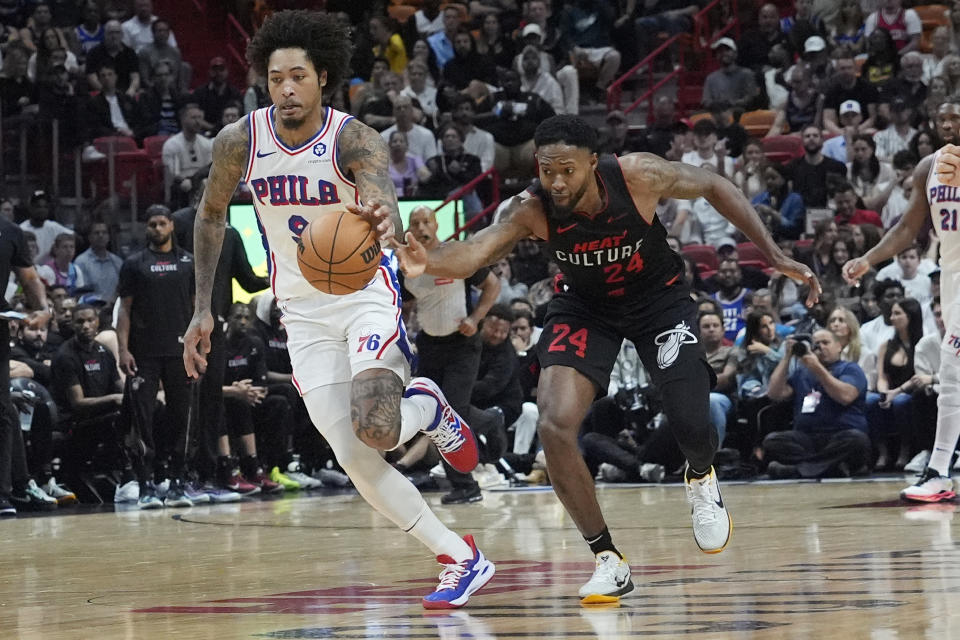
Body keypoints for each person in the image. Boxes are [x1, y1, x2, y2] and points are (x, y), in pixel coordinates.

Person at [395, 114, 820, 603]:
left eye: (567, 170)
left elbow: (713, 184)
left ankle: (700, 475)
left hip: (657, 299)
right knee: (554, 424)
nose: (556, 181)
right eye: (547, 169)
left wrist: (771, 253)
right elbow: (474, 252)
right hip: (585, 307)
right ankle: (607, 559)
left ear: (594, 164)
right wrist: (428, 259)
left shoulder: (638, 175)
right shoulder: (530, 207)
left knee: (691, 419)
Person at [181, 10, 494, 609]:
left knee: (377, 427)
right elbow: (212, 214)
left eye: (298, 76)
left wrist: (381, 216)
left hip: (364, 298)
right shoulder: (240, 141)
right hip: (301, 314)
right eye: (276, 80)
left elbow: (382, 199)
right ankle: (460, 556)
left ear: (323, 77)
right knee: (356, 457)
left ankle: (427, 405)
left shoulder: (353, 138)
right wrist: (202, 309)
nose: (287, 89)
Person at [843, 100, 960, 501]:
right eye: (942, 117)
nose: (947, 124)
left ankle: (939, 470)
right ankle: (940, 472)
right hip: (953, 276)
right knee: (953, 377)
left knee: (952, 371)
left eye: (955, 117)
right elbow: (909, 227)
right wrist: (868, 259)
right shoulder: (929, 166)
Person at [400, 205, 500, 504]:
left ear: (436, 225)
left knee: (452, 412)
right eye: (414, 222)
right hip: (429, 345)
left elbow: (492, 286)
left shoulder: (456, 256)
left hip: (462, 345)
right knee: (432, 413)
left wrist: (476, 318)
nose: (420, 227)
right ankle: (488, 421)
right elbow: (402, 306)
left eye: (425, 221)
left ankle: (466, 487)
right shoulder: (406, 266)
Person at [116, 205, 197, 508]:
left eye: (162, 223)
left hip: (180, 352)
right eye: (152, 224)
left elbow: (196, 307)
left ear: (172, 226)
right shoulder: (134, 264)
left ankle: (176, 482)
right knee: (142, 420)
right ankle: (145, 484)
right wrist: (123, 349)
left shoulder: (188, 262)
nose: (157, 229)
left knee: (181, 417)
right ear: (146, 228)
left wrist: (201, 348)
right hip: (143, 353)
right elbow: (124, 309)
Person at [763, 329, 872, 479]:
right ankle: (829, 468)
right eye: (816, 344)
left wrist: (817, 368)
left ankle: (797, 470)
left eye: (825, 343)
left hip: (840, 434)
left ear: (839, 346)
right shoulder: (802, 372)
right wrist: (787, 357)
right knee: (772, 441)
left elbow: (845, 396)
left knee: (857, 440)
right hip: (807, 438)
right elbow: (774, 394)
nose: (820, 347)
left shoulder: (850, 368)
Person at [0, 212, 49, 516]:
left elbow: (29, 276)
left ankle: (6, 492)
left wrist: (42, 308)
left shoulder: (10, 231)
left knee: (3, 409)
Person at [74, 221, 122, 304]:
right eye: (96, 233)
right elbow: (81, 292)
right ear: (89, 237)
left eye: (104, 233)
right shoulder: (81, 262)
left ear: (109, 237)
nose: (101, 235)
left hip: (114, 308)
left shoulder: (118, 262)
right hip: (91, 309)